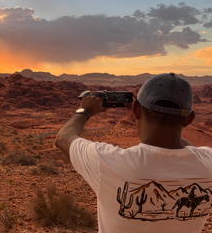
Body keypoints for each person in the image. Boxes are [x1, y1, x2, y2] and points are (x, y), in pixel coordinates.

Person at [55, 73, 212, 232]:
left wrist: (85, 110)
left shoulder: (110, 162)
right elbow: (193, 153)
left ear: (136, 109)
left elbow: (63, 138)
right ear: (189, 119)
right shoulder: (208, 163)